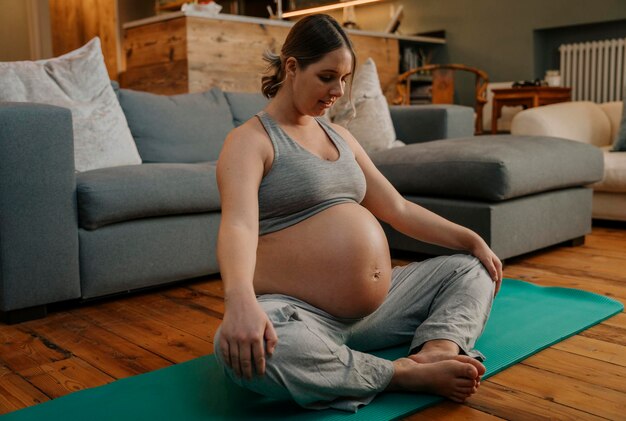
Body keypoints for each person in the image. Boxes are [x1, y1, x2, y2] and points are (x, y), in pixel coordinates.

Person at [214, 14, 502, 412]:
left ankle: (438, 350)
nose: (338, 91)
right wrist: (239, 301)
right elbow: (239, 225)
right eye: (327, 77)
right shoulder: (250, 141)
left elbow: (398, 208)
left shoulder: (340, 136)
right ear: (292, 67)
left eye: (344, 79)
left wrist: (472, 239)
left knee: (473, 268)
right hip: (298, 314)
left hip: (377, 310)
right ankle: (398, 374)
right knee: (242, 355)